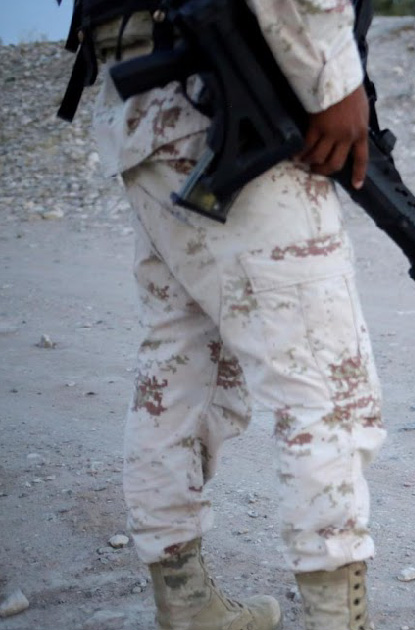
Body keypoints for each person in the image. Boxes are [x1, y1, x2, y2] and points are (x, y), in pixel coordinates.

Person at [60, 1, 385, 628]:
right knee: (327, 384)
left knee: (185, 361)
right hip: (222, 86)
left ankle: (185, 603)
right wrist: (331, 75)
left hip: (145, 94)